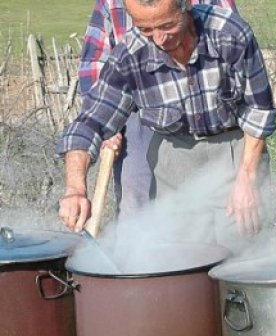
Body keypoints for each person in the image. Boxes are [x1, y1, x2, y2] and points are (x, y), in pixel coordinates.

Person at [57, 0, 276, 239]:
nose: (159, 39)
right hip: (173, 158)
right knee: (181, 257)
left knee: (240, 248)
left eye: (167, 25)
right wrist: (75, 188)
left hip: (233, 153)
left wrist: (247, 178)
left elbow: (258, 110)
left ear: (187, 7)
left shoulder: (230, 34)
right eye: (146, 29)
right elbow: (89, 123)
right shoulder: (129, 55)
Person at [77, 0, 238, 219]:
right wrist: (107, 125)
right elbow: (95, 62)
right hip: (140, 112)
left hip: (204, 109)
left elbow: (234, 44)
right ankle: (137, 250)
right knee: (137, 202)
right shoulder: (111, 3)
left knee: (218, 204)